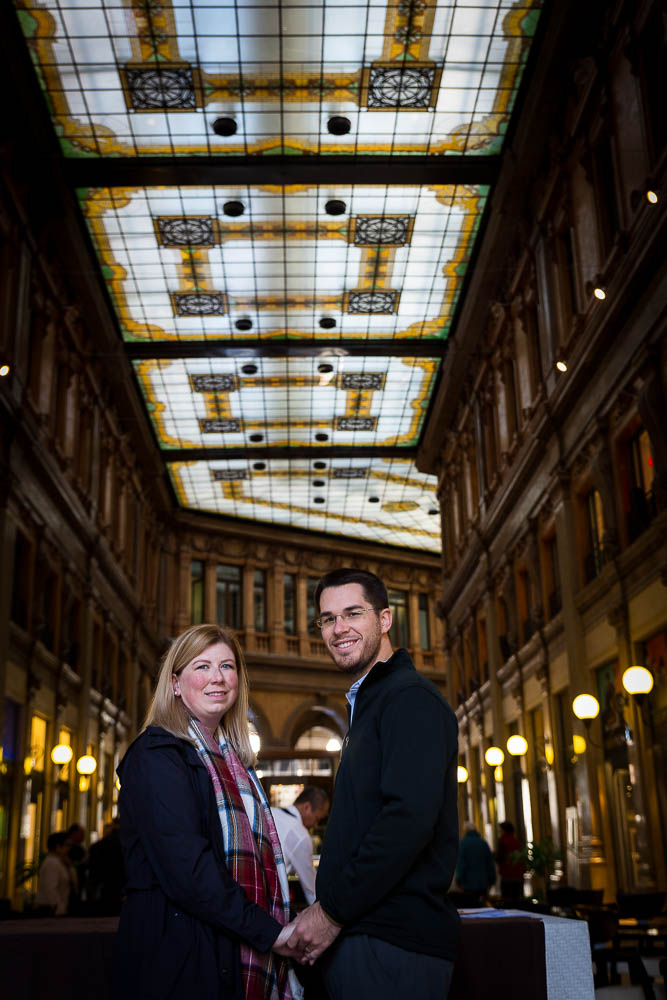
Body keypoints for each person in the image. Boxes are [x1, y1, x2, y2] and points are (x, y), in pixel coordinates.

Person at [285, 568, 460, 1000]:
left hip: (393, 944)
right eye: (327, 619)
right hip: (368, 938)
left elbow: (407, 820)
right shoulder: (372, 702)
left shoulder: (408, 698)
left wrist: (331, 913)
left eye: (352, 613)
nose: (338, 628)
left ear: (384, 620)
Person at [115, 623, 304, 1000]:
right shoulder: (157, 755)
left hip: (224, 950)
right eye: (201, 667)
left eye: (227, 666)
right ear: (174, 683)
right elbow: (189, 871)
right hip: (179, 961)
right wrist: (271, 933)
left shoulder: (234, 762)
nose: (217, 678)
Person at [271, 786, 329, 905]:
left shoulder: (272, 812)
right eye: (317, 819)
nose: (316, 825)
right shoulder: (300, 834)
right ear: (307, 807)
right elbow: (312, 891)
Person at [87, 816, 126, 915]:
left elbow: (92, 868)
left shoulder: (97, 846)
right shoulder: (126, 844)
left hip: (102, 886)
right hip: (120, 886)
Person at [455, 822, 497, 901]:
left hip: (468, 883)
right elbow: (490, 863)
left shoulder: (463, 844)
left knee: (471, 906)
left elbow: (461, 864)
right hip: (483, 882)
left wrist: (459, 880)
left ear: (465, 831)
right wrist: (492, 880)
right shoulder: (483, 843)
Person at [35, 831, 71, 915]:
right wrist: (60, 909)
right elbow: (50, 889)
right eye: (66, 845)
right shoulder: (52, 863)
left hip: (55, 909)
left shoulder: (58, 862)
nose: (68, 849)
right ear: (58, 846)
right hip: (51, 910)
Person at [495, 820, 524, 899]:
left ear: (504, 830)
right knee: (517, 899)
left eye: (500, 830)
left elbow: (500, 858)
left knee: (507, 900)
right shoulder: (516, 841)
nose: (499, 832)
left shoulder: (503, 841)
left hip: (507, 875)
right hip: (518, 875)